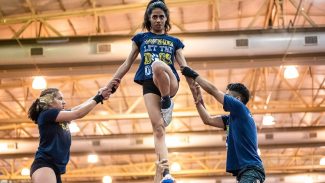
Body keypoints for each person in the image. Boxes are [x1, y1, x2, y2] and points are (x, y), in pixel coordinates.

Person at [106, 0, 187, 181]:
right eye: (154, 16)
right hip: (150, 83)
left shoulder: (174, 41)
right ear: (149, 19)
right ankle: (166, 172)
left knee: (158, 64)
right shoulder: (141, 38)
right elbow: (127, 63)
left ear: (166, 19)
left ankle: (166, 101)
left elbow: (185, 66)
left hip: (170, 81)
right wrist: (111, 83)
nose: (158, 20)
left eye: (161, 16)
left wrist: (196, 86)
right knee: (158, 129)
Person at [181, 66, 266, 183]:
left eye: (228, 96)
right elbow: (208, 119)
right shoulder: (232, 119)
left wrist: (194, 75)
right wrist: (198, 98)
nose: (225, 98)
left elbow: (214, 91)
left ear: (237, 99)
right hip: (244, 172)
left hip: (251, 170)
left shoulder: (240, 109)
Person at [28, 82, 117, 183]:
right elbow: (77, 113)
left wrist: (98, 95)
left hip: (54, 168)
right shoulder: (47, 114)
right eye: (60, 98)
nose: (64, 102)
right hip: (45, 164)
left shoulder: (58, 116)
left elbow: (77, 108)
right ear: (49, 102)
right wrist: (99, 98)